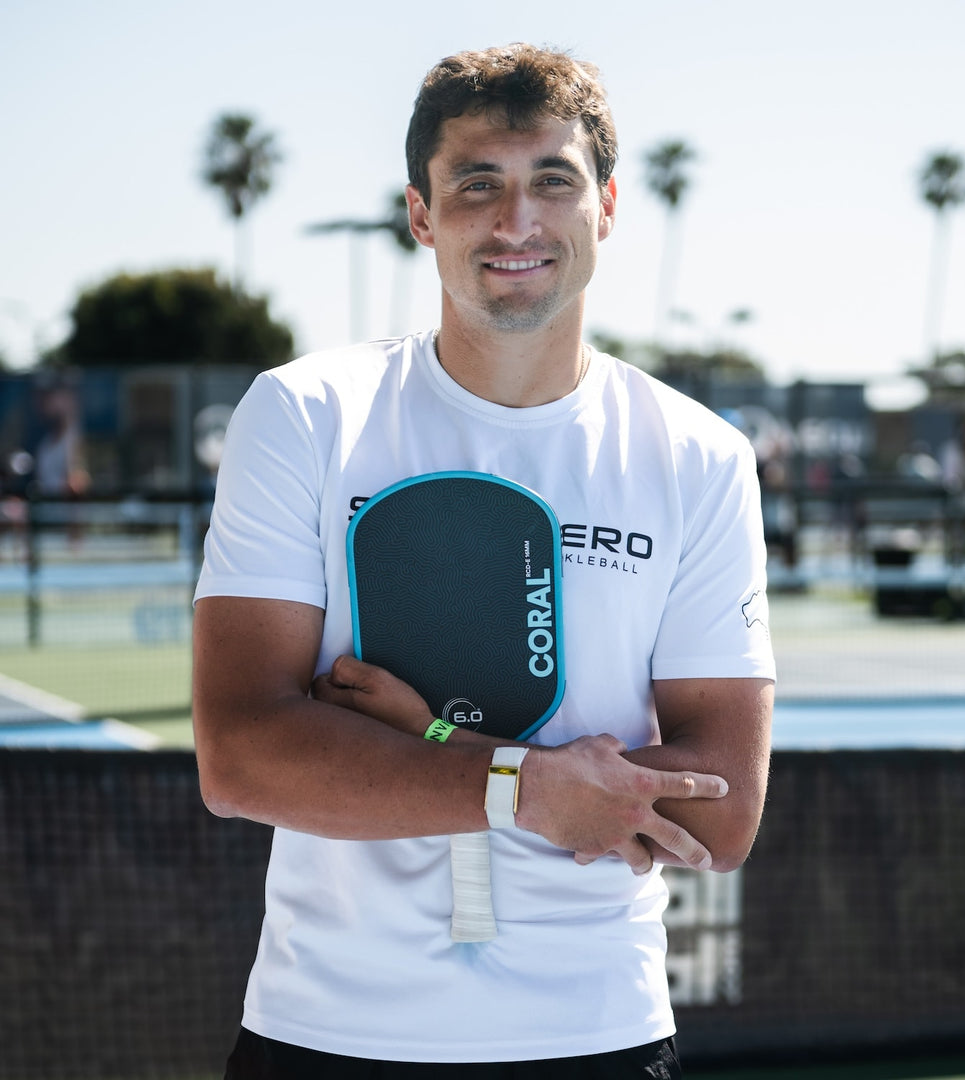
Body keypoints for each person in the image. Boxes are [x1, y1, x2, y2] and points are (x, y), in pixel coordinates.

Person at [193, 43, 775, 1079]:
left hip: (598, 1034)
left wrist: (437, 742)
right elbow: (240, 757)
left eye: (551, 180)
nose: (515, 222)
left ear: (605, 206)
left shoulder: (697, 456)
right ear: (421, 215)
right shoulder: (306, 415)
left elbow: (723, 807)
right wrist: (527, 786)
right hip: (326, 1032)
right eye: (475, 186)